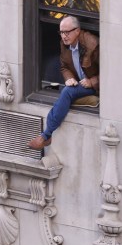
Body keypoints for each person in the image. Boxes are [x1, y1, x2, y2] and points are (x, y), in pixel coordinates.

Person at [27, 15, 99, 150]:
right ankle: (46, 136)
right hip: (79, 83)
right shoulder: (65, 44)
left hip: (94, 86)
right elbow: (64, 66)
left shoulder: (93, 45)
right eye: (61, 32)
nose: (64, 36)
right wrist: (69, 78)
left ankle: (45, 136)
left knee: (67, 92)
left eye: (67, 32)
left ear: (77, 31)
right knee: (59, 90)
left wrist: (91, 81)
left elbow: (110, 73)